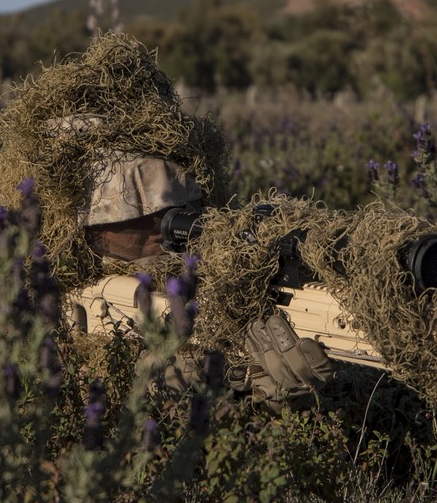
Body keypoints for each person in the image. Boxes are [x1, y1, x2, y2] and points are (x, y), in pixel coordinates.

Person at [79, 148, 338, 410]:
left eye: (173, 210)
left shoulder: (220, 275)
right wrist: (182, 370)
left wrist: (271, 393)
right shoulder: (66, 290)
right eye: (139, 220)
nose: (157, 227)